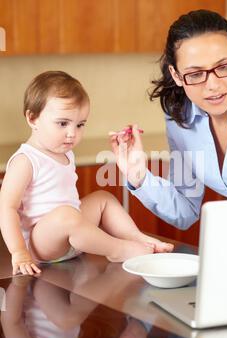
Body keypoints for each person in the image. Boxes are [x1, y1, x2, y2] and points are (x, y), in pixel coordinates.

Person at [110, 9, 227, 230]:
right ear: (176, 75)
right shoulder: (179, 115)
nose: (213, 85)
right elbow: (184, 210)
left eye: (224, 66)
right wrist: (140, 177)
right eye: (195, 74)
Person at [0, 71, 173, 276]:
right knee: (67, 214)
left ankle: (135, 237)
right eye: (63, 123)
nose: (72, 133)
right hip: (44, 245)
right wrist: (19, 252)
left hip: (71, 231)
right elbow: (6, 208)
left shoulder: (65, 153)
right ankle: (118, 250)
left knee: (103, 198)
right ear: (33, 118)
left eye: (80, 124)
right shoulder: (25, 161)